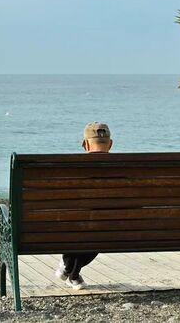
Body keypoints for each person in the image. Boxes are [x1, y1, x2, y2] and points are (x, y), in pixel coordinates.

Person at [55, 122, 113, 289]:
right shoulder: (124, 167)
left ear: (86, 144)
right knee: (101, 230)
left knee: (81, 226)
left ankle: (70, 270)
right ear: (110, 144)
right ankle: (72, 273)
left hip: (68, 227)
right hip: (116, 229)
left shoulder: (73, 168)